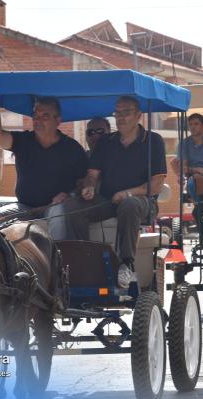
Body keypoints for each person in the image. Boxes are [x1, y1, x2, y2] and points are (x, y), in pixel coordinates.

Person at [52, 96, 167, 288]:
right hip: (107, 200)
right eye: (117, 113)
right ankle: (82, 262)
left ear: (139, 115)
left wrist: (127, 193)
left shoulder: (153, 141)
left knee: (129, 204)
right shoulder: (107, 141)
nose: (121, 117)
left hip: (142, 202)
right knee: (73, 206)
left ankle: (126, 264)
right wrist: (89, 186)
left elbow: (156, 185)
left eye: (126, 112)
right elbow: (92, 174)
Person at [0, 95, 88, 227]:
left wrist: (70, 194)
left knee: (59, 214)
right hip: (24, 207)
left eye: (45, 116)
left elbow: (84, 181)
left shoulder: (72, 148)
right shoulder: (23, 141)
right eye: (35, 116)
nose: (38, 120)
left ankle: (59, 249)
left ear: (58, 120)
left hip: (56, 208)